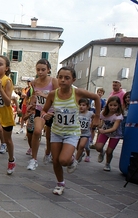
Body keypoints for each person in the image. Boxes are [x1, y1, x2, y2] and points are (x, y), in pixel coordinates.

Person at [41, 66, 100, 195]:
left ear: (73, 80)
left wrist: (97, 117)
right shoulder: (52, 94)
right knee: (55, 160)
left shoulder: (77, 93)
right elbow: (44, 110)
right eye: (60, 77)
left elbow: (96, 97)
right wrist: (45, 115)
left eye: (67, 78)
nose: (63, 80)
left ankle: (72, 160)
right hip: (56, 131)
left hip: (72, 132)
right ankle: (60, 183)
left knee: (64, 160)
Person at [27, 59, 59, 171]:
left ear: (48, 70)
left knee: (49, 136)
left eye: (43, 70)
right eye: (38, 70)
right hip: (40, 110)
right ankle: (34, 159)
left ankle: (48, 153)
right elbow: (34, 95)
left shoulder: (54, 81)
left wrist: (45, 96)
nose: (40, 72)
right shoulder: (34, 82)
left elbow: (59, 97)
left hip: (52, 111)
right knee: (36, 131)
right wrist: (31, 104)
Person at [95, 96, 124, 172]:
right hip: (105, 132)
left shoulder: (118, 116)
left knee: (109, 151)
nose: (112, 107)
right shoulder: (104, 113)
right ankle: (101, 152)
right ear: (107, 105)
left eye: (115, 105)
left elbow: (114, 128)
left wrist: (103, 131)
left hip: (115, 134)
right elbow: (100, 121)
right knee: (98, 147)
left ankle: (107, 163)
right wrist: (99, 126)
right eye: (111, 105)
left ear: (118, 106)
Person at [75, 98, 94, 163]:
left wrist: (93, 123)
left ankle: (77, 160)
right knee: (78, 147)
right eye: (80, 105)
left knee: (83, 146)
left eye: (83, 105)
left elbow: (96, 117)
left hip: (86, 133)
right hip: (77, 133)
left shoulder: (90, 113)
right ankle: (80, 154)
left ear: (87, 106)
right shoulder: (77, 113)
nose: (81, 106)